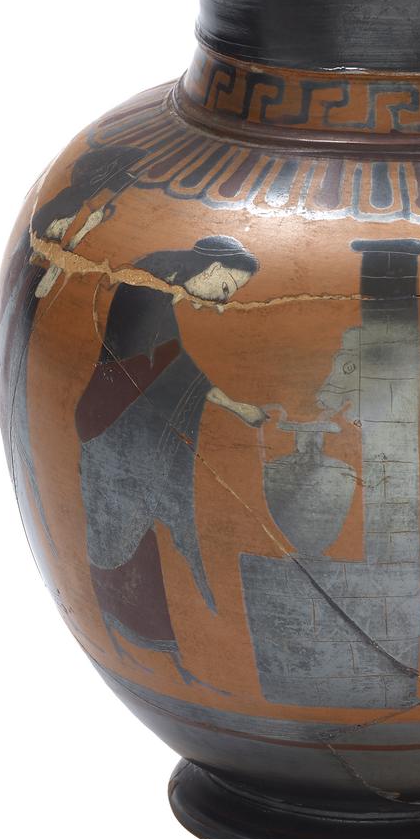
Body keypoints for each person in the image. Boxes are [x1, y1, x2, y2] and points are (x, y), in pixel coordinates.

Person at [75, 235, 266, 682]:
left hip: (124, 423)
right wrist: (234, 406)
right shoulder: (145, 291)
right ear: (212, 270)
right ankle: (139, 645)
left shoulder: (158, 292)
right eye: (225, 290)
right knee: (122, 531)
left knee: (142, 536)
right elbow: (161, 367)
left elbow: (173, 364)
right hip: (113, 425)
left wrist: (234, 407)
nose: (222, 304)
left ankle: (158, 650)